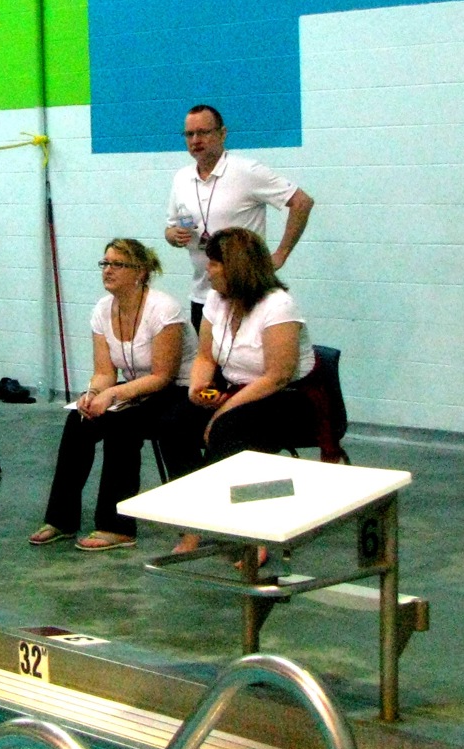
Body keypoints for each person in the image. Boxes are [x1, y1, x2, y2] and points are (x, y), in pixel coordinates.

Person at [29, 239, 194, 551]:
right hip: (135, 390)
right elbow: (105, 372)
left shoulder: (164, 309)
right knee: (79, 421)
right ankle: (61, 519)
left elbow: (163, 375)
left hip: (176, 391)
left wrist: (114, 394)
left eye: (117, 264)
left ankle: (117, 526)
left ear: (140, 272)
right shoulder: (103, 310)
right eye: (104, 263)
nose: (107, 270)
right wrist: (92, 394)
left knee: (122, 424)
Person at [169, 227, 318, 553]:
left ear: (235, 266)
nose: (208, 269)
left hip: (287, 398)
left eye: (214, 263)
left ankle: (251, 536)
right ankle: (193, 522)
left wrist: (223, 410)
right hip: (237, 389)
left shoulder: (279, 306)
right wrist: (197, 388)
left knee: (229, 430)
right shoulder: (215, 301)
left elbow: (277, 376)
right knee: (177, 423)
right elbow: (206, 356)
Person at [163, 104, 315, 330]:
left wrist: (281, 254)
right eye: (189, 134)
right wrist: (173, 235)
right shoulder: (181, 178)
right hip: (203, 295)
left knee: (244, 362)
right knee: (207, 362)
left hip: (246, 294)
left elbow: (302, 202)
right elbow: (170, 228)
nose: (196, 140)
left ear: (222, 134)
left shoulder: (248, 171)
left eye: (203, 132)